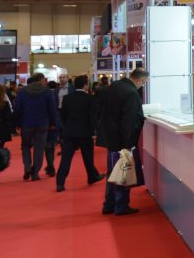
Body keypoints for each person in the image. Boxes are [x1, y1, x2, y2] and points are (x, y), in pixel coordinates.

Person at [96, 68, 148, 216]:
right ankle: (121, 205)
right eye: (143, 83)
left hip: (110, 136)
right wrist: (129, 144)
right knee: (124, 171)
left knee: (113, 172)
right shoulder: (131, 93)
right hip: (122, 140)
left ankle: (109, 204)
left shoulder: (115, 86)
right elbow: (129, 121)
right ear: (139, 79)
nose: (142, 85)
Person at [56, 75, 103, 191]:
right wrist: (94, 131)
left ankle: (60, 183)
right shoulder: (90, 99)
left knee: (66, 158)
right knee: (88, 157)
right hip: (85, 132)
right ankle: (92, 177)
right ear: (85, 85)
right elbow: (92, 118)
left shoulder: (67, 98)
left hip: (69, 131)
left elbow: (63, 115)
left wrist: (67, 126)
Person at [13, 72, 59, 181]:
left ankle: (27, 167)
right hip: (43, 124)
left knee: (25, 146)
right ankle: (35, 173)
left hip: (26, 124)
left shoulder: (22, 91)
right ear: (41, 80)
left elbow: (17, 109)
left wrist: (17, 123)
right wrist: (53, 123)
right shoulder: (47, 91)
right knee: (39, 149)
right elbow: (52, 109)